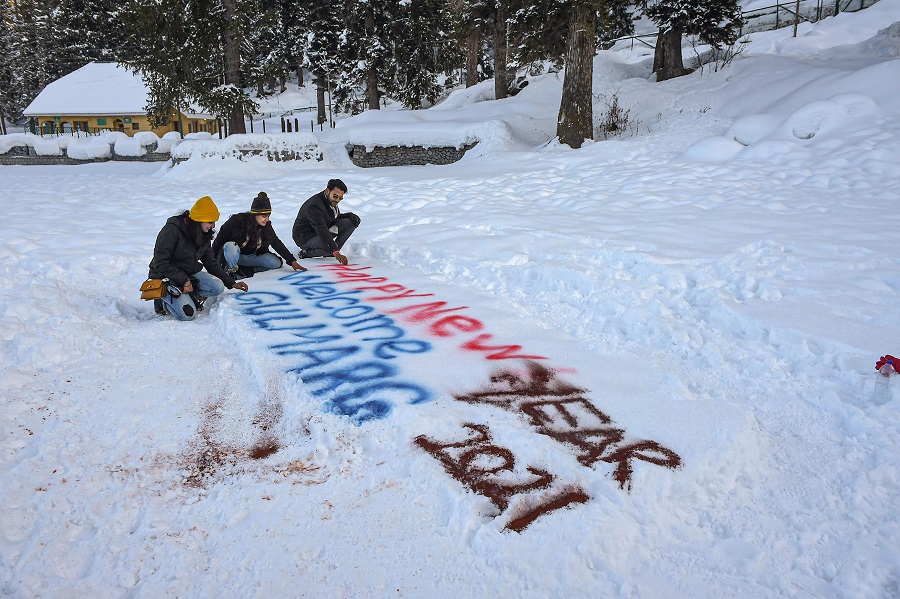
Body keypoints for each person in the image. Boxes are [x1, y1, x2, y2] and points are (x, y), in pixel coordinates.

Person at [147, 195, 248, 320]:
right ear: (200, 220)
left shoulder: (204, 234)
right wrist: (184, 280)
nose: (213, 226)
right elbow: (160, 262)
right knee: (188, 315)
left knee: (217, 287)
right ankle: (162, 299)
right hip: (165, 276)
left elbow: (211, 263)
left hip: (187, 275)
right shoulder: (172, 230)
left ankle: (187, 295)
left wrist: (231, 283)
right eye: (210, 222)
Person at [212, 191, 306, 278]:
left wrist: (292, 261)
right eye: (264, 216)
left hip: (250, 257)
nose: (267, 219)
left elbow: (276, 243)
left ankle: (244, 271)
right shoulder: (237, 221)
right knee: (231, 246)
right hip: (232, 256)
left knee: (275, 263)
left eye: (268, 216)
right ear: (255, 214)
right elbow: (219, 240)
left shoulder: (266, 226)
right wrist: (213, 262)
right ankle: (230, 271)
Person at [292, 178, 361, 266]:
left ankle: (332, 251)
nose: (337, 200)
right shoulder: (314, 205)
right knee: (331, 247)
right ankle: (307, 253)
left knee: (350, 222)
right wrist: (335, 251)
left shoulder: (331, 201)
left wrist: (349, 216)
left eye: (340, 198)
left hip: (321, 230)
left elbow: (333, 217)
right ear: (327, 191)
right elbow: (321, 229)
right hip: (305, 237)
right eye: (335, 196)